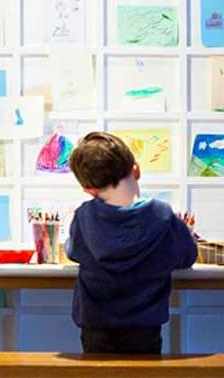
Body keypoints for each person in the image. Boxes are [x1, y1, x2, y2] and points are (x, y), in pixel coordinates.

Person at [66, 131, 197, 354]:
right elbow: (187, 256)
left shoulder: (85, 216)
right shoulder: (163, 215)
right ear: (136, 169)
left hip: (96, 325)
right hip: (145, 327)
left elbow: (73, 251)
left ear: (89, 190)